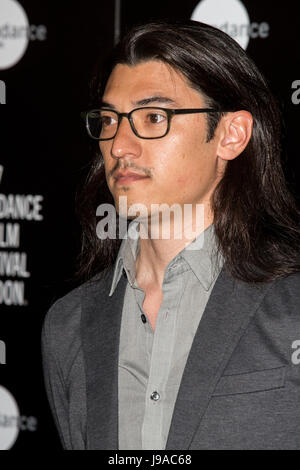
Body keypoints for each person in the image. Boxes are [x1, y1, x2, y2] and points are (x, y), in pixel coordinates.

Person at [41, 19, 300, 450]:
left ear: (230, 135)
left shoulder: (291, 306)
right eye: (109, 121)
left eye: (154, 117)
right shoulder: (68, 326)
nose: (120, 145)